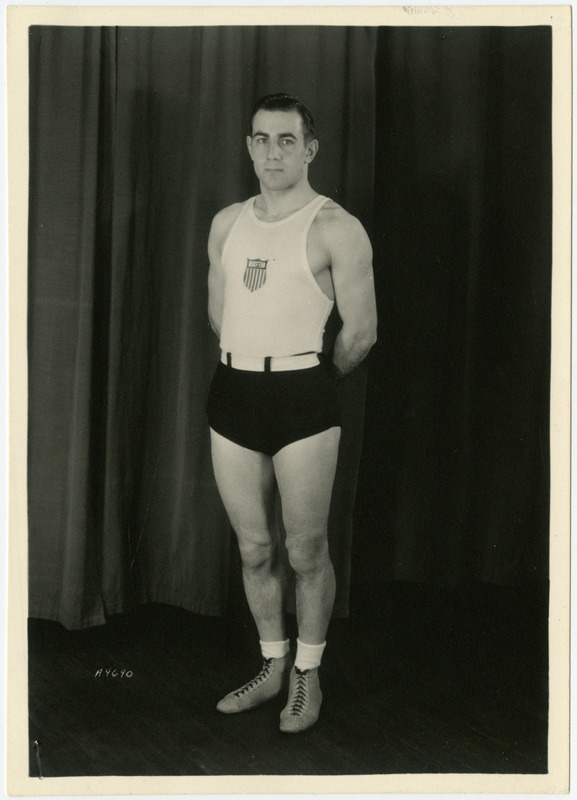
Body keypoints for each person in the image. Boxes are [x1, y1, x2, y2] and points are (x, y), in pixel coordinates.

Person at [206, 93, 377, 733]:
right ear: (249, 146)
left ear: (309, 149)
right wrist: (249, 361)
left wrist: (309, 381)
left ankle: (308, 676)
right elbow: (220, 310)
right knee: (254, 549)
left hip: (303, 397)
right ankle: (272, 665)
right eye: (260, 139)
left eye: (285, 140)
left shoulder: (336, 226)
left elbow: (361, 332)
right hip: (233, 393)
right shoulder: (226, 223)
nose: (271, 152)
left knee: (305, 550)